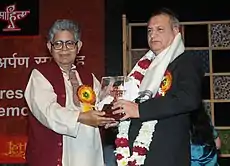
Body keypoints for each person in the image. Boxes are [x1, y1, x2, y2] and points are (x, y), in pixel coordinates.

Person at [109, 8, 204, 166]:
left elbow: (188, 98)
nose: (153, 35)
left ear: (175, 31)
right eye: (149, 31)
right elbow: (133, 105)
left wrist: (139, 110)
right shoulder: (143, 68)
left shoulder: (185, 61)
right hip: (134, 156)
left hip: (167, 156)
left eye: (160, 29)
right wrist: (116, 116)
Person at [24, 19, 115, 166]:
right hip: (57, 158)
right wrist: (80, 117)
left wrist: (109, 115)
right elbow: (48, 111)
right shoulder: (40, 75)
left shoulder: (88, 77)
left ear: (78, 46)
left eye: (69, 43)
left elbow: (100, 106)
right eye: (58, 44)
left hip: (89, 155)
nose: (64, 49)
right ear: (49, 47)